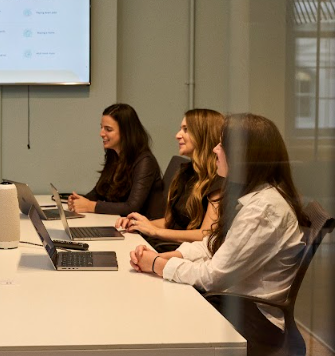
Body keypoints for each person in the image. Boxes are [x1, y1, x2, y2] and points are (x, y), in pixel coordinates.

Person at [128, 113, 309, 354]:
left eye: (222, 144)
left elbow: (214, 276)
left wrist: (157, 265)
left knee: (152, 314)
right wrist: (172, 257)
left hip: (252, 320)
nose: (215, 149)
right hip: (235, 302)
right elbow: (213, 244)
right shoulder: (255, 196)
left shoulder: (263, 210)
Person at [116, 109, 224, 246]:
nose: (178, 135)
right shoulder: (186, 171)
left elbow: (206, 234)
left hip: (182, 254)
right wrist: (138, 224)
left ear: (203, 135)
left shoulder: (218, 180)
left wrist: (154, 231)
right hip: (166, 245)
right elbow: (169, 222)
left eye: (186, 130)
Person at [68, 103, 164, 218]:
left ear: (126, 132)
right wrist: (80, 200)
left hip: (142, 231)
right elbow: (98, 191)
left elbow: (132, 207)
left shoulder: (145, 161)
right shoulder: (114, 154)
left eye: (108, 129)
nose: (101, 133)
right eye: (101, 128)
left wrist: (90, 206)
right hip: (121, 223)